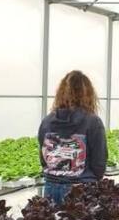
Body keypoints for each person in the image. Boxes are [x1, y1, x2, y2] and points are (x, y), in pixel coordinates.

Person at [38, 70, 107, 204]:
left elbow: (43, 158)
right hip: (82, 190)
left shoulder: (47, 121)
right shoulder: (93, 122)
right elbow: (99, 162)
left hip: (51, 187)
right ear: (88, 94)